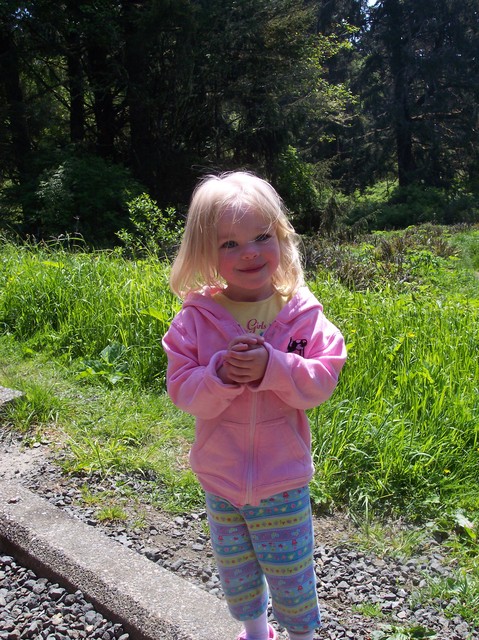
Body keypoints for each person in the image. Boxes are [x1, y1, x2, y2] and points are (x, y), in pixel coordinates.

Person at [162, 171, 347, 640]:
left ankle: (301, 634)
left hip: (282, 477)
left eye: (262, 236)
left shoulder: (302, 314)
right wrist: (218, 374)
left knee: (292, 576)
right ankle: (255, 630)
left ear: (282, 238)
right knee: (237, 572)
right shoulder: (196, 320)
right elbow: (183, 389)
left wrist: (275, 368)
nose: (249, 252)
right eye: (229, 244)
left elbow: (323, 378)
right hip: (220, 476)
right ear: (206, 252)